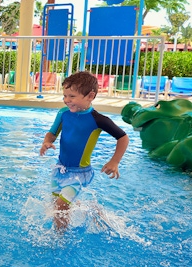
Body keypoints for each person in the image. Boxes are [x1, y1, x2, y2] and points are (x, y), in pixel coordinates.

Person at [39, 70, 129, 231]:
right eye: (65, 96)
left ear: (90, 96)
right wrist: (46, 142)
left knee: (61, 206)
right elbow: (52, 133)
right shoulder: (63, 113)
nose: (67, 100)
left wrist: (115, 161)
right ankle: (92, 210)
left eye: (72, 96)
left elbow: (123, 138)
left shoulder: (98, 120)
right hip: (60, 169)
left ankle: (59, 239)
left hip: (80, 173)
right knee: (57, 205)